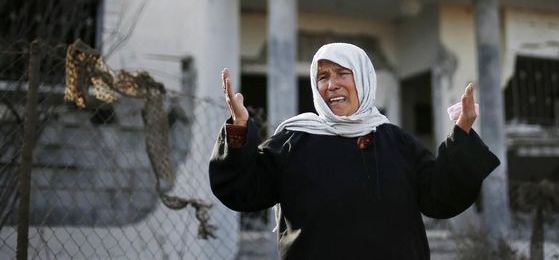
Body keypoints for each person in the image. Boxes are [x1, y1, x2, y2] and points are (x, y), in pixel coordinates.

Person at [209, 42, 500, 260]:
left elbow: (440, 196)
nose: (331, 84)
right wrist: (239, 127)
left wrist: (461, 132)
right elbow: (244, 189)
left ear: (362, 77)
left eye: (342, 73)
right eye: (322, 76)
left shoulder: (395, 141)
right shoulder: (293, 141)